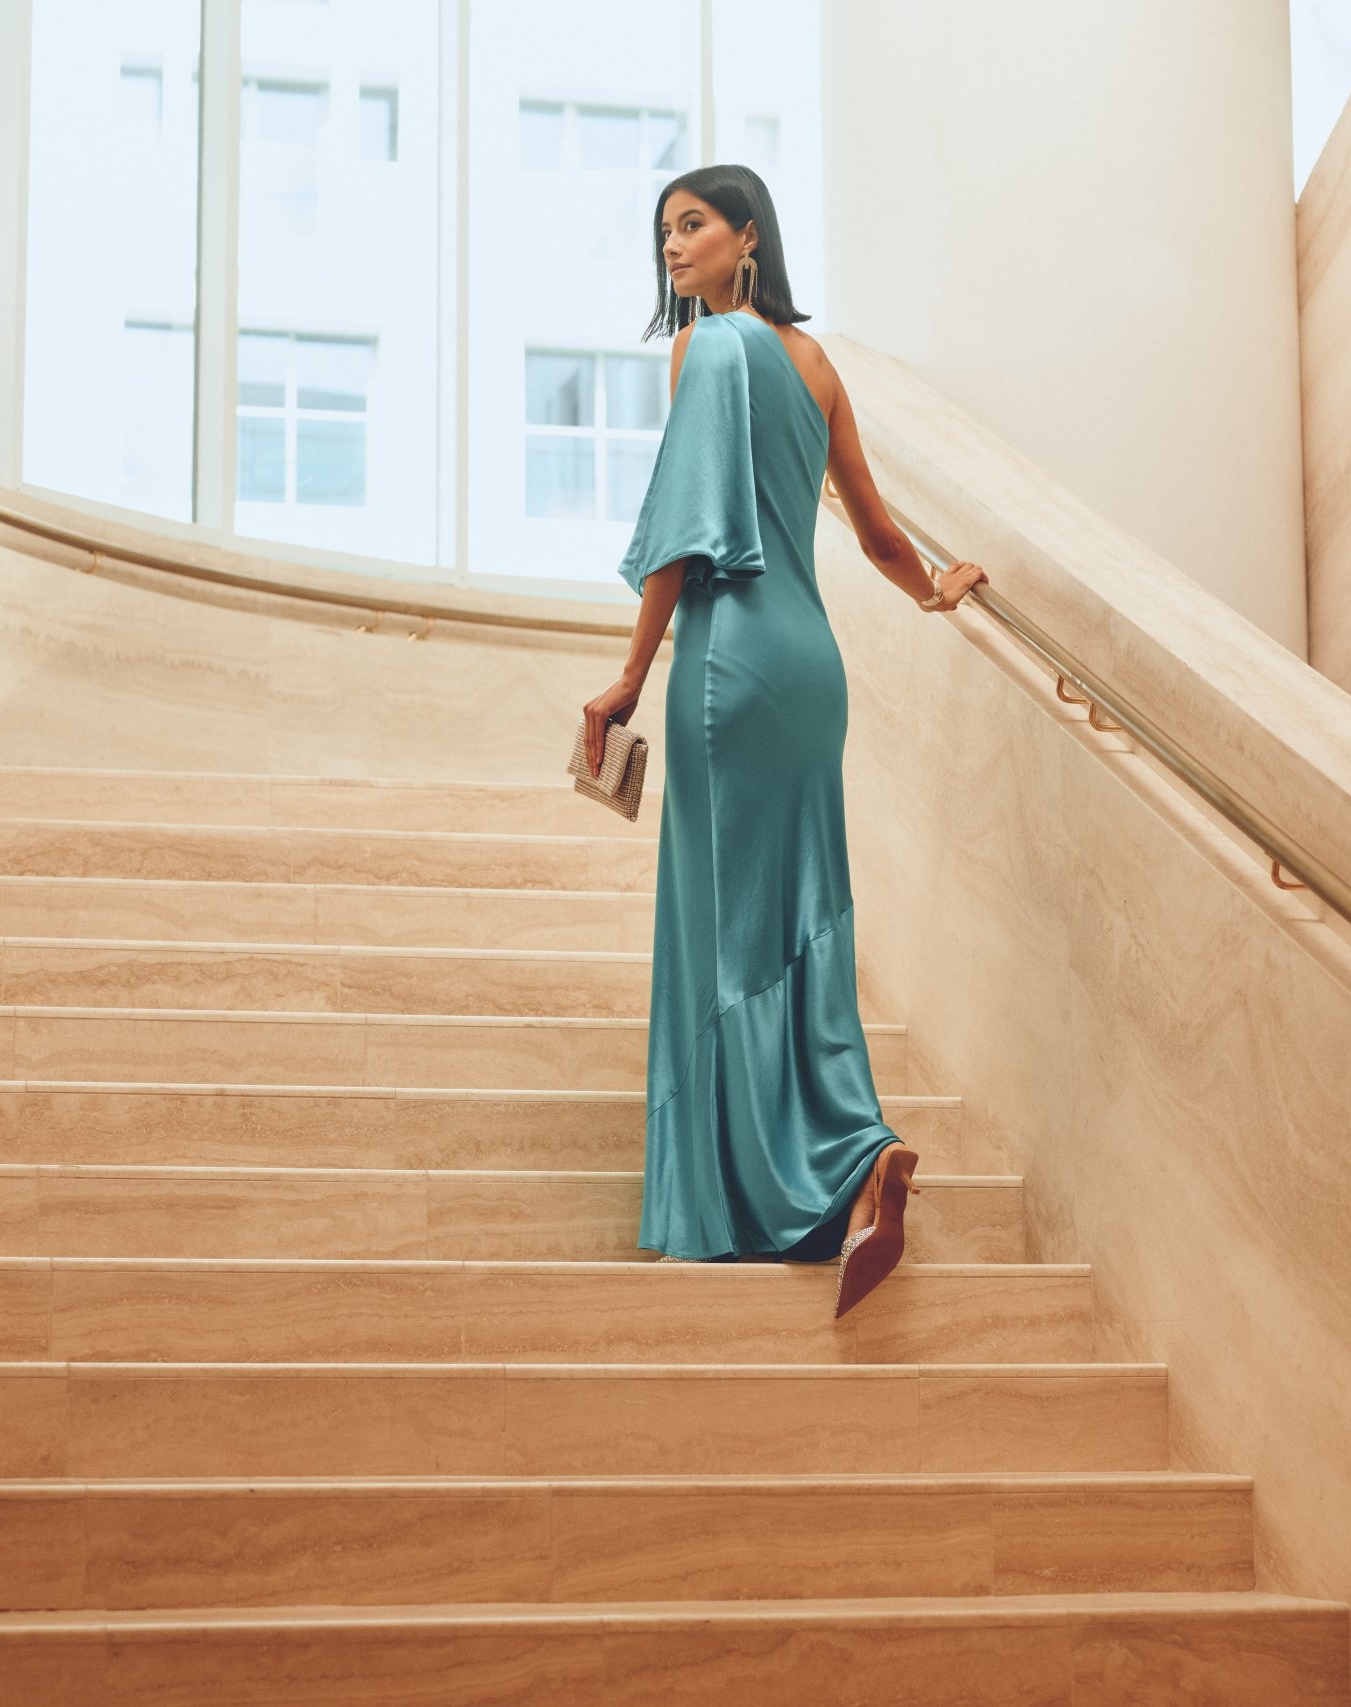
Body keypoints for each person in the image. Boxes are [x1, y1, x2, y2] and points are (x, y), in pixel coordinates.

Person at [580, 163, 988, 1317]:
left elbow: (682, 533)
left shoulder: (710, 350)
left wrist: (627, 677)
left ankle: (780, 1179)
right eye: (664, 230)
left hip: (730, 662)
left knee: (726, 929)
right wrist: (936, 589)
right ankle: (855, 1157)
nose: (673, 246)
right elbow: (870, 529)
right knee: (799, 914)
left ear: (746, 237)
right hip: (810, 668)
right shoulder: (814, 366)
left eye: (693, 224)